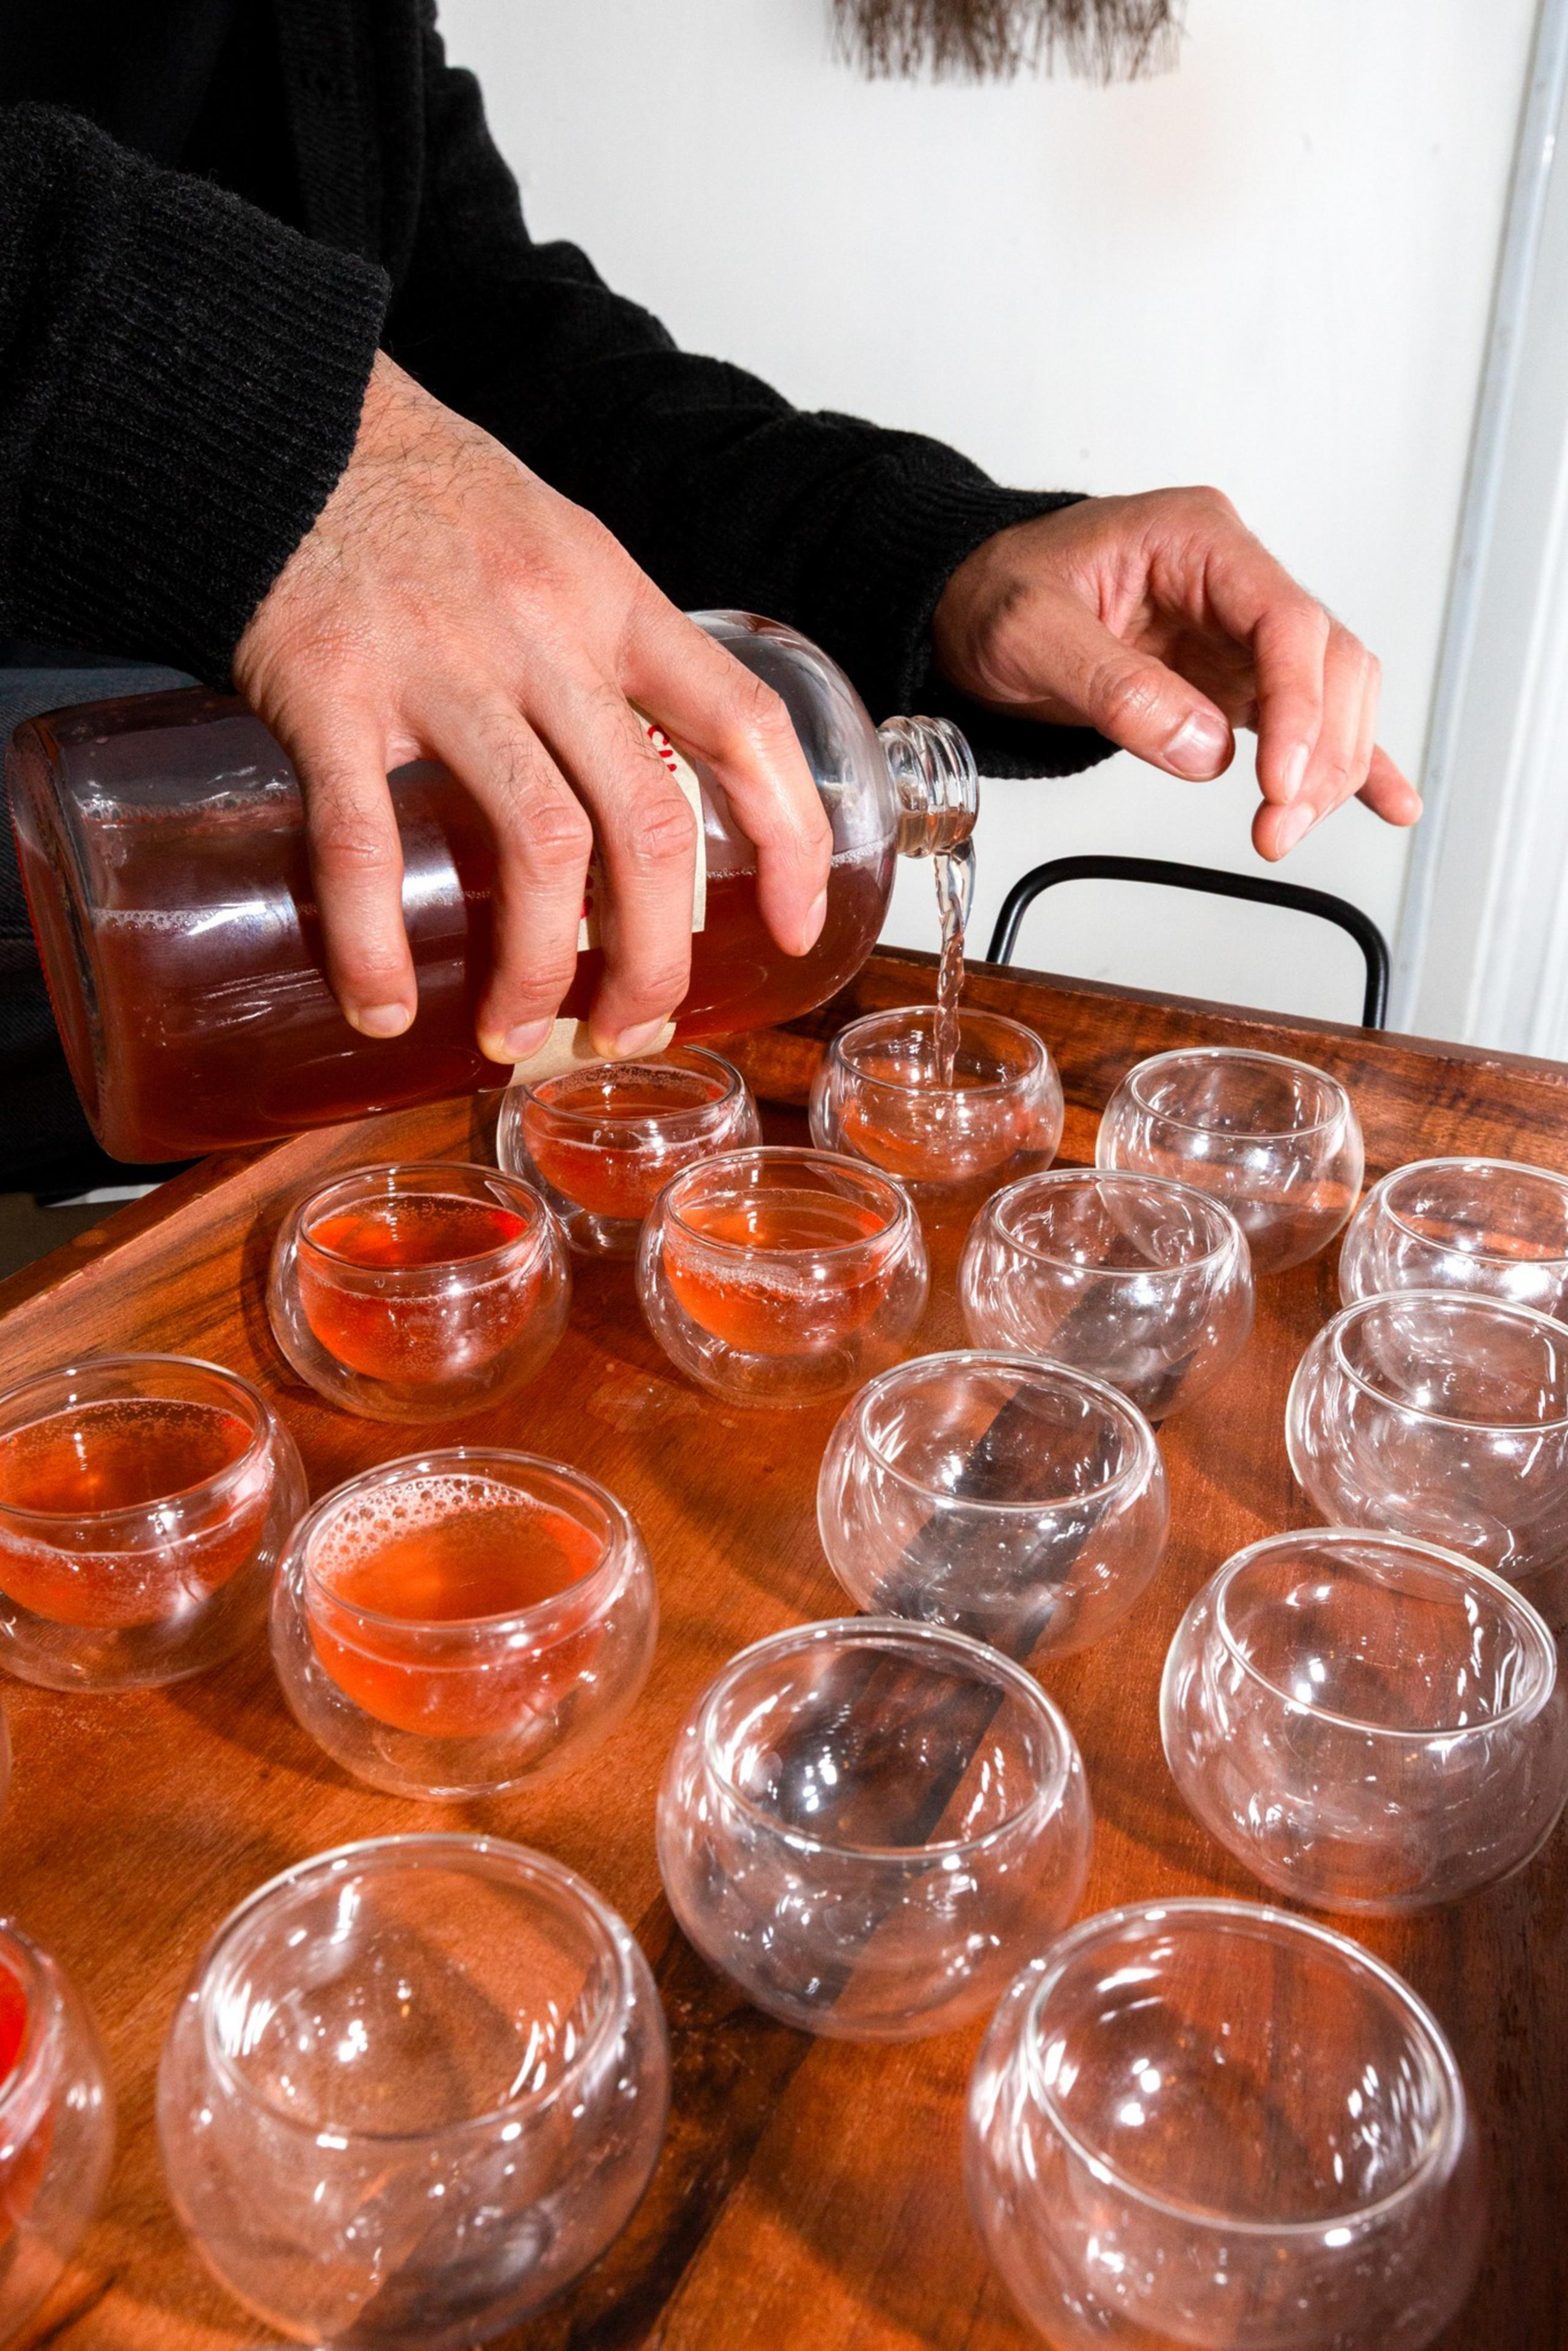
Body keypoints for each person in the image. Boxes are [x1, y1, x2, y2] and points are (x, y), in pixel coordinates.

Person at [0, 0, 1418, 1184]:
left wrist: (944, 566)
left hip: (205, 1070)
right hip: (99, 879)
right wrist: (275, 441)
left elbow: (475, 337)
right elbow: (372, 432)